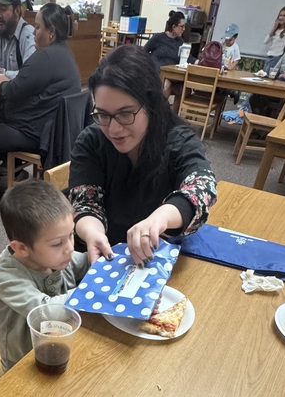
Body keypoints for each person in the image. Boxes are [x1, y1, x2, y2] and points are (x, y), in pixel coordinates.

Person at [69, 44, 217, 267]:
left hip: (160, 262)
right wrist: (92, 233)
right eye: (103, 115)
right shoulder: (92, 141)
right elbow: (85, 204)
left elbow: (202, 187)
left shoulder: (177, 140)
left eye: (125, 114)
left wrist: (160, 219)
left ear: (150, 104)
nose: (114, 129)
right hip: (104, 261)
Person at [0, 179, 89, 372]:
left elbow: (86, 262)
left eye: (71, 235)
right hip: (22, 362)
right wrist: (91, 293)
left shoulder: (56, 257)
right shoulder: (6, 275)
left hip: (60, 344)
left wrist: (110, 258)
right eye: (57, 243)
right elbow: (45, 313)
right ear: (21, 248)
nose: (70, 248)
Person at [0, 2, 81, 169]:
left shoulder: (44, 57)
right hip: (58, 130)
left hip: (42, 134)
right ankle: (6, 162)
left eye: (37, 27)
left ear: (51, 32)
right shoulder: (66, 53)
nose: (34, 33)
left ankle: (8, 162)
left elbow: (13, 91)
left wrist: (2, 80)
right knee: (2, 120)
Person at [263, 7, 285, 73]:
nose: (281, 17)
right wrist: (274, 28)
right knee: (263, 75)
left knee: (267, 76)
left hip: (277, 57)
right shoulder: (276, 29)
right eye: (280, 15)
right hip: (269, 55)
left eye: (284, 15)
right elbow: (265, 41)